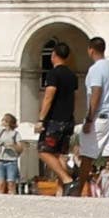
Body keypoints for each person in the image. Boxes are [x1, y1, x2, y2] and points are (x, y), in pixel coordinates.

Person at [78, 36, 109, 197]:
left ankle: (78, 189)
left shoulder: (95, 69)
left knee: (86, 153)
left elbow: (96, 92)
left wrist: (89, 118)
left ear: (91, 50)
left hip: (99, 116)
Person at [36, 41, 81, 191]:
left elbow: (49, 96)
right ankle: (63, 191)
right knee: (60, 155)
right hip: (68, 120)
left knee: (43, 151)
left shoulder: (53, 74)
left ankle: (67, 180)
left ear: (53, 55)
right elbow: (75, 98)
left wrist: (41, 119)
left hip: (54, 120)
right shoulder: (72, 76)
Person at [0, 115, 22, 193]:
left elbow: (20, 148)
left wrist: (11, 145)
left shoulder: (15, 134)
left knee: (11, 184)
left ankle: (13, 200)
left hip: (11, 161)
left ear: (8, 122)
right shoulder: (2, 132)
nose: (2, 122)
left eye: (3, 120)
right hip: (0, 161)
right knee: (0, 184)